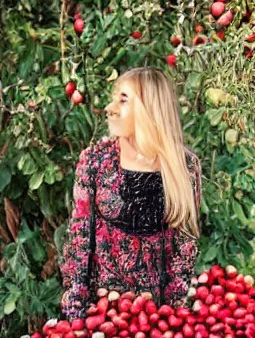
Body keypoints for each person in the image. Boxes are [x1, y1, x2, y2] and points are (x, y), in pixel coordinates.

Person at [59, 67, 202, 321]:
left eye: (122, 100)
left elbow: (185, 248)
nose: (110, 108)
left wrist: (175, 317)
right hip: (101, 314)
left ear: (150, 108)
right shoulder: (96, 161)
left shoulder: (183, 166)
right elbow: (79, 240)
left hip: (156, 317)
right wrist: (75, 315)